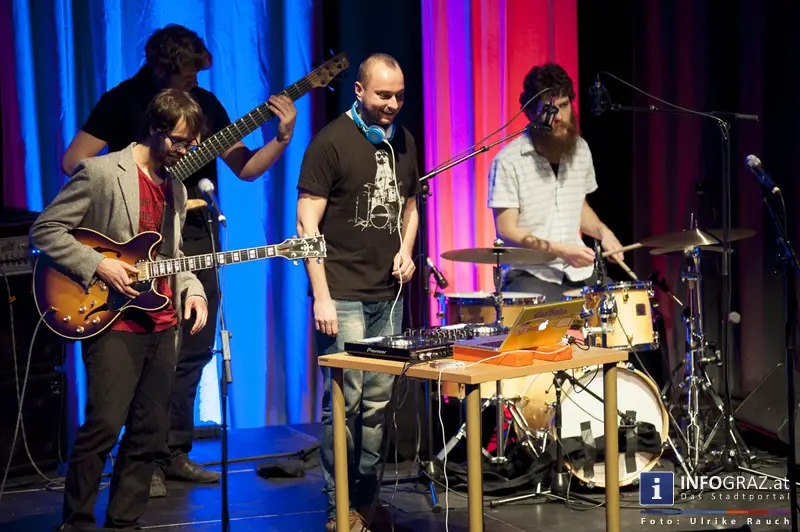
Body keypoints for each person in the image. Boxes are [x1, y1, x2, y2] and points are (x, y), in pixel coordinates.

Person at [61, 24, 297, 496]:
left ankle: (174, 453)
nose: (194, 82)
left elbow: (245, 168)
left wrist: (282, 138)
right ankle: (139, 461)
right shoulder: (122, 100)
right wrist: (130, 185)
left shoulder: (204, 107)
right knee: (135, 357)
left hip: (191, 238)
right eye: (187, 73)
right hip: (126, 247)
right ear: (161, 67)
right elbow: (73, 162)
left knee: (190, 351)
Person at [32, 89, 209, 531]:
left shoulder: (176, 186)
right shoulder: (100, 172)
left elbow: (174, 254)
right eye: (180, 142)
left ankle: (124, 522)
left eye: (191, 144)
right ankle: (76, 522)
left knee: (150, 434)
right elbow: (46, 230)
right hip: (111, 317)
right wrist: (99, 264)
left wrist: (193, 290)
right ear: (155, 129)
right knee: (104, 427)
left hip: (162, 322)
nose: (186, 152)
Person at [296, 53, 418, 531]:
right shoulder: (329, 143)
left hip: (388, 295)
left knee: (377, 403)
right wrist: (321, 295)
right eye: (383, 95)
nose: (392, 104)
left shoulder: (404, 140)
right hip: (342, 293)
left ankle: (364, 502)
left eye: (399, 96)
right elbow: (307, 225)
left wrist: (407, 249)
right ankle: (337, 507)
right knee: (344, 405)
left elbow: (410, 205)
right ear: (359, 92)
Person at [488, 62, 624, 303]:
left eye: (564, 106)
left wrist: (604, 232)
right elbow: (507, 230)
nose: (559, 117)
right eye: (550, 109)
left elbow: (578, 207)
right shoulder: (508, 160)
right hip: (531, 273)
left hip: (578, 272)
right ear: (531, 113)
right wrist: (561, 251)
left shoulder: (580, 149)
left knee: (620, 310)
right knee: (555, 322)